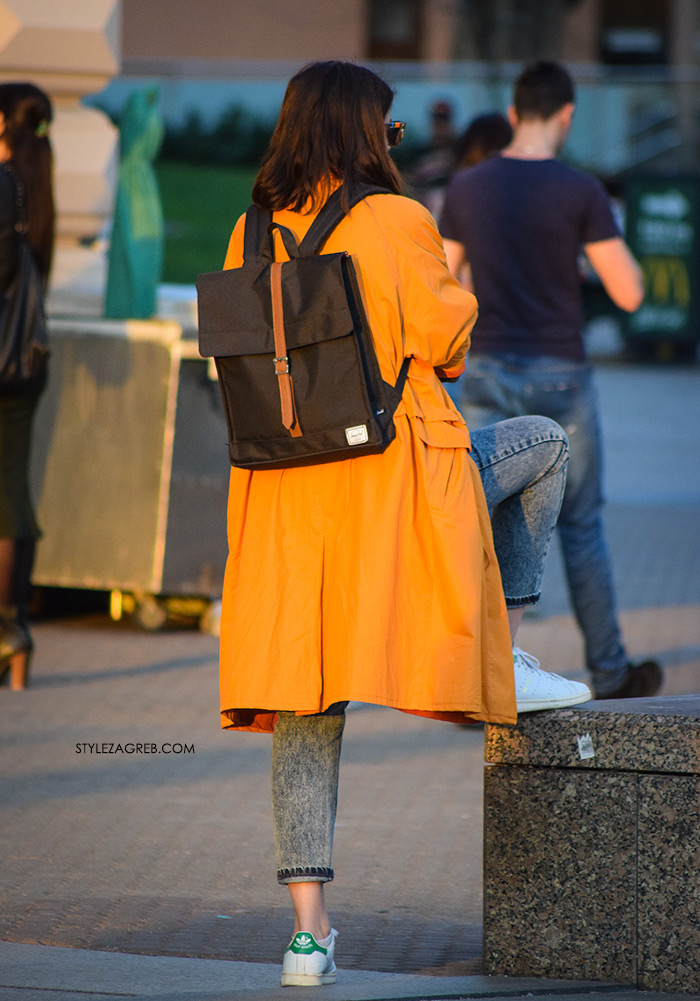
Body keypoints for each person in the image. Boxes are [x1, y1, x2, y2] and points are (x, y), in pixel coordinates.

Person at [216, 60, 590, 988]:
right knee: (543, 441)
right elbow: (448, 340)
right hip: (395, 486)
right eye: (384, 131)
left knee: (305, 710)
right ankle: (502, 642)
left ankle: (308, 938)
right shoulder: (398, 220)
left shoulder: (248, 228)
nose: (391, 143)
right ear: (360, 131)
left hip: (288, 501)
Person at [439, 61, 662, 701]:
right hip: (562, 376)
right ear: (565, 115)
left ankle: (468, 670)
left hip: (482, 371)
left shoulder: (469, 189)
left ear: (513, 114)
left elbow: (445, 287)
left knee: (478, 524)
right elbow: (627, 292)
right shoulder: (581, 191)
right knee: (582, 527)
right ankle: (611, 669)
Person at [0, 82, 54, 690]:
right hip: (27, 361)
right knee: (13, 485)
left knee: (6, 493)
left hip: (2, 363)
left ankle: (7, 628)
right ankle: (15, 633)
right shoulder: (37, 178)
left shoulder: (2, 180)